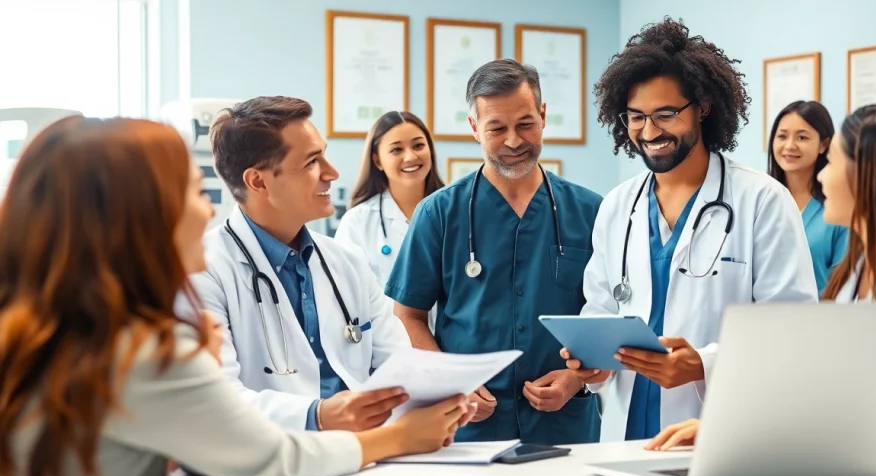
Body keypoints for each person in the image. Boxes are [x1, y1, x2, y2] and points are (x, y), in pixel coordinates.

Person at [0, 116, 473, 476]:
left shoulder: (50, 330)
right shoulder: (138, 352)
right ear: (140, 218)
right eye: (193, 191)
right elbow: (267, 458)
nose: (209, 208)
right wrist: (398, 438)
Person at [647, 106, 876, 450]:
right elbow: (823, 378)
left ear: (873, 178)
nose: (822, 175)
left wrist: (743, 429)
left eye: (833, 161)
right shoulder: (861, 272)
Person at [563, 17, 819, 442]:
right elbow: (601, 310)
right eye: (636, 117)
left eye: (666, 114)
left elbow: (792, 330)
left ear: (702, 107)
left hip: (717, 429)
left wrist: (704, 364)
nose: (649, 132)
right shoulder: (617, 206)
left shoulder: (762, 201)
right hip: (624, 434)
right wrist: (593, 363)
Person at [385, 59, 604, 445]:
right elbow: (407, 315)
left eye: (525, 124)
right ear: (474, 128)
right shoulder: (438, 213)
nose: (514, 141)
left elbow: (606, 315)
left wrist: (575, 378)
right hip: (469, 427)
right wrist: (451, 383)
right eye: (497, 128)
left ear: (543, 115)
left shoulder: (591, 211)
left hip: (564, 426)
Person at [189, 96, 415, 433]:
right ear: (258, 181)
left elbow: (399, 365)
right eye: (311, 162)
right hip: (273, 455)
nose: (332, 173)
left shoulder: (347, 262)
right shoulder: (203, 272)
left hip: (367, 449)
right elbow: (217, 399)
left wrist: (439, 396)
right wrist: (318, 416)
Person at [334, 110, 444, 330]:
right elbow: (344, 298)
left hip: (451, 343)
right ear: (378, 161)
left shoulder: (456, 212)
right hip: (386, 344)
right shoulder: (357, 222)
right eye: (396, 149)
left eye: (418, 146)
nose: (410, 157)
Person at [767, 100, 849, 294]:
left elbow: (842, 284)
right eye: (782, 136)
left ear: (823, 145)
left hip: (821, 312)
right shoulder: (760, 201)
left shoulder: (838, 210)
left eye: (802, 137)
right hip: (759, 311)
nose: (789, 145)